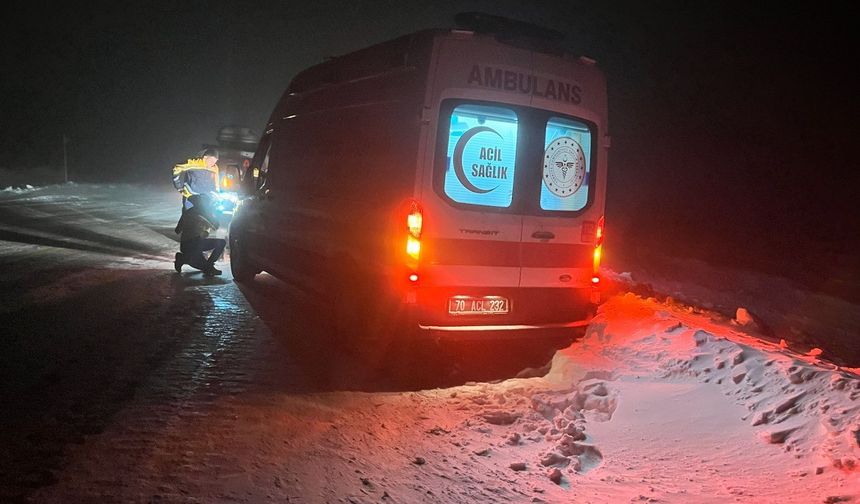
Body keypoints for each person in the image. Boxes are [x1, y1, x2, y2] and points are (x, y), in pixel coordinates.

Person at [173, 193, 226, 276]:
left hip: (185, 245)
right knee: (222, 243)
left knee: (201, 265)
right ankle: (209, 265)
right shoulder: (204, 213)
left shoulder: (187, 212)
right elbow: (216, 226)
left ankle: (183, 258)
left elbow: (177, 230)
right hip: (196, 244)